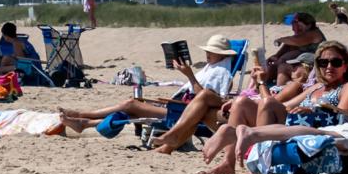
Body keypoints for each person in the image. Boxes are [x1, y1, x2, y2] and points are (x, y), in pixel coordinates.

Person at [192, 41, 348, 174]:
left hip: (317, 128)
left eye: (336, 62)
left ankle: (258, 159)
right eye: (324, 63)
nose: (329, 67)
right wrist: (250, 101)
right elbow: (285, 106)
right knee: (242, 103)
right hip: (290, 121)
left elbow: (343, 114)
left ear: (345, 65)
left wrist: (312, 111)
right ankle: (228, 162)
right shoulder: (315, 87)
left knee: (267, 103)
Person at [57, 34, 243, 144]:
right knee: (133, 108)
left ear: (221, 55)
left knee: (131, 104)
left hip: (185, 114)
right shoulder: (212, 69)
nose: (207, 54)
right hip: (179, 107)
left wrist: (189, 75)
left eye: (211, 52)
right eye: (207, 50)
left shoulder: (222, 74)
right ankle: (84, 122)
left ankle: (82, 116)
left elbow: (205, 98)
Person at [258, 13, 327, 87]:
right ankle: (257, 88)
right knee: (270, 67)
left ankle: (279, 91)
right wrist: (276, 56)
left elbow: (296, 41)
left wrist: (280, 40)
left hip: (313, 65)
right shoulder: (303, 34)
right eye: (294, 26)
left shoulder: (314, 33)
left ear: (309, 25)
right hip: (302, 62)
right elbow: (289, 44)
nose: (295, 29)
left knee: (282, 67)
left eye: (299, 26)